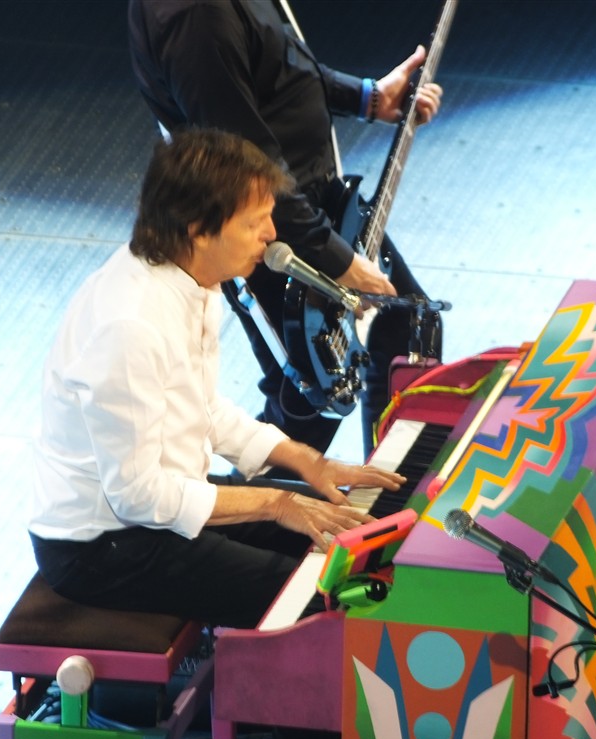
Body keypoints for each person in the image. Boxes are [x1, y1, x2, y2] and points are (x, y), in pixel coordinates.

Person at [29, 128, 404, 633]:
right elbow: (137, 496)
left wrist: (304, 460)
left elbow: (201, 408)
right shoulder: (131, 325)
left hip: (164, 498)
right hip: (102, 545)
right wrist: (274, 503)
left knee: (355, 534)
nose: (272, 234)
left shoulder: (189, 275)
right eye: (254, 222)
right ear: (198, 229)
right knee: (318, 597)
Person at [127, 0, 444, 458]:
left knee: (407, 329)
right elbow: (243, 158)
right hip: (265, 233)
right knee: (309, 408)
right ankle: (243, 505)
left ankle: (391, 492)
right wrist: (334, 258)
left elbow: (279, 62)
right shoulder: (196, 16)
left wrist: (366, 98)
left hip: (308, 202)